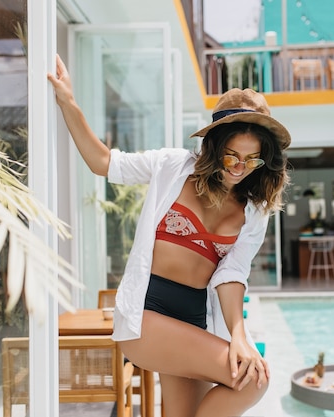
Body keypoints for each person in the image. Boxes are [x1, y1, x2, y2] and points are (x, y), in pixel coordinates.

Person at [48, 55, 291, 417]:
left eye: (252, 160)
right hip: (148, 312)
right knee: (253, 379)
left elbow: (231, 274)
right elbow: (104, 163)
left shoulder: (254, 210)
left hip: (194, 319)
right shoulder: (172, 167)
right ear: (214, 146)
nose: (240, 168)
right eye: (232, 157)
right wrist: (68, 100)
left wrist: (239, 336)